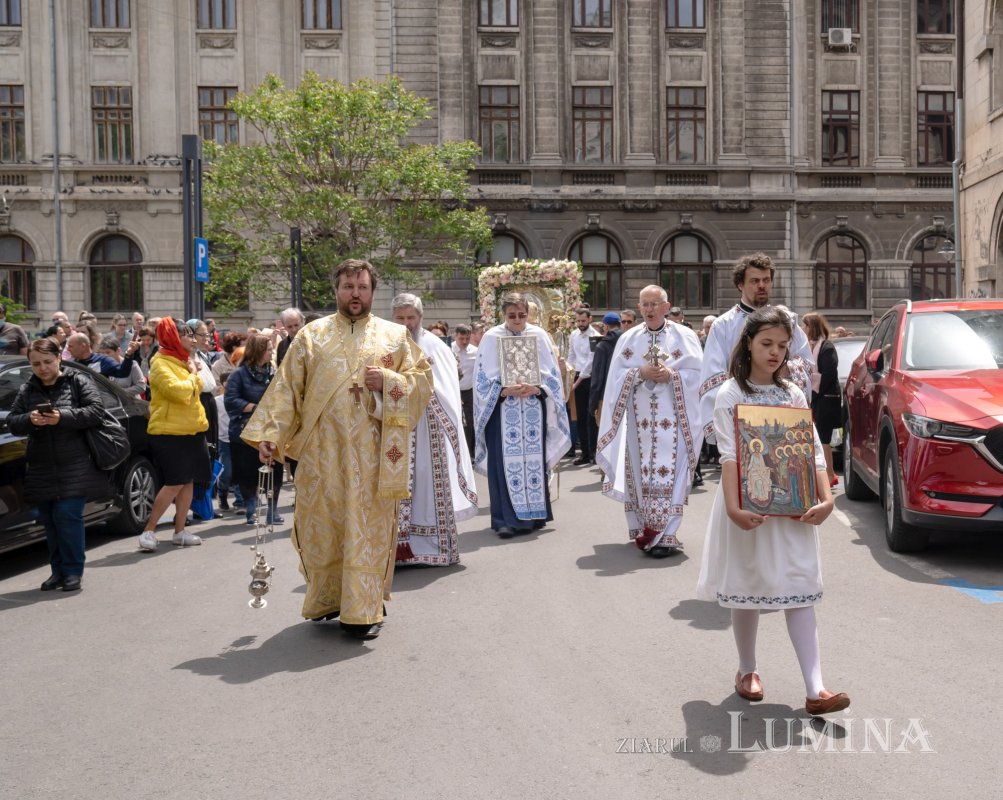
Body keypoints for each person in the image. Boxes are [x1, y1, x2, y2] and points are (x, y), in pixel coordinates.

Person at [241, 259, 432, 639]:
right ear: (337, 290)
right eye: (348, 286)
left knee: (366, 529)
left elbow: (422, 384)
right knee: (323, 529)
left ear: (372, 291)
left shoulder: (394, 337)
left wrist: (389, 381)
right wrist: (271, 435)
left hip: (373, 457)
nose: (355, 294)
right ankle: (328, 599)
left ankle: (365, 608)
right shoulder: (311, 336)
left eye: (361, 287)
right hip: (318, 456)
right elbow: (286, 391)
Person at [695, 307, 848, 717]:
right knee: (748, 584)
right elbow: (729, 455)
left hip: (794, 509)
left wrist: (826, 497)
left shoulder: (793, 394)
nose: (775, 352)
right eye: (766, 344)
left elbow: (812, 449)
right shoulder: (731, 393)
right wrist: (732, 507)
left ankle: (816, 688)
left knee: (800, 587)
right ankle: (747, 670)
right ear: (748, 343)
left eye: (782, 345)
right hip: (748, 507)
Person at [596, 286, 704, 557]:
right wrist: (639, 373)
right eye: (645, 304)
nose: (649, 309)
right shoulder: (628, 339)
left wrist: (673, 376)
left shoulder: (685, 337)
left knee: (672, 476)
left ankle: (666, 534)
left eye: (655, 304)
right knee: (641, 475)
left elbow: (698, 379)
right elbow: (614, 381)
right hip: (639, 427)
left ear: (666, 307)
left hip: (675, 424)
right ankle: (645, 528)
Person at [8, 338, 112, 592]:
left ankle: (73, 572)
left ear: (58, 359)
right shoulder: (28, 388)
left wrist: (61, 417)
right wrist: (31, 419)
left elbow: (96, 411)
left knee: (67, 516)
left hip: (74, 464)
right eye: (36, 364)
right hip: (41, 466)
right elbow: (13, 421)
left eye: (47, 362)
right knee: (50, 521)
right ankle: (57, 572)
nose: (42, 368)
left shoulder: (77, 381)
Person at [473, 292, 571, 538]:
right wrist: (502, 389)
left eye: (522, 315)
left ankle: (535, 515)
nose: (517, 320)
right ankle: (505, 520)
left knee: (532, 463)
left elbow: (552, 375)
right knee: (504, 465)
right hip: (502, 410)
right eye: (512, 315)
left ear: (529, 314)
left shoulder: (538, 335)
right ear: (503, 315)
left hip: (532, 410)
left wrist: (537, 388)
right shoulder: (491, 337)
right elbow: (481, 378)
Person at [391, 294, 477, 566]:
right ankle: (397, 551)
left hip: (429, 430)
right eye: (400, 318)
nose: (406, 324)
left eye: (410, 318)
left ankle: (433, 549)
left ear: (421, 317)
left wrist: (420, 383)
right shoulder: (386, 343)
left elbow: (446, 389)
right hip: (395, 429)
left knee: (427, 484)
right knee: (395, 487)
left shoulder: (433, 345)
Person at [699, 253, 814, 444]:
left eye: (766, 280)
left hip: (781, 412)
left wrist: (786, 367)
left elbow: (807, 364)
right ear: (740, 285)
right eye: (754, 281)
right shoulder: (723, 325)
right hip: (741, 412)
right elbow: (713, 375)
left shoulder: (787, 321)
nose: (761, 285)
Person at [136, 318, 210, 552]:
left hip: (192, 429)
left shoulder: (184, 360)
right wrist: (193, 376)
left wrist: (193, 375)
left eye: (191, 334)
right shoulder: (160, 363)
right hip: (169, 432)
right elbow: (180, 392)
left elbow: (203, 387)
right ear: (173, 337)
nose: (192, 339)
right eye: (186, 334)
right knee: (174, 482)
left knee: (187, 481)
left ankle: (179, 531)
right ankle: (148, 530)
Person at [225, 334, 284, 525]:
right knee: (248, 473)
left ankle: (272, 510)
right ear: (258, 351)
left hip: (270, 430)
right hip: (245, 432)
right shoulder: (239, 374)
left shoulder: (273, 372)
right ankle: (252, 509)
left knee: (275, 470)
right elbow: (231, 400)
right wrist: (256, 408)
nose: (271, 353)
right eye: (268, 349)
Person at [801, 311, 840, 488]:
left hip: (825, 398)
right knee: (818, 437)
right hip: (816, 398)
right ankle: (824, 475)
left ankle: (830, 474)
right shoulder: (809, 346)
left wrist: (814, 391)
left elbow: (829, 374)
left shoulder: (827, 347)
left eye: (805, 325)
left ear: (812, 327)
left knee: (823, 438)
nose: (803, 329)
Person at [187, 319, 221, 521]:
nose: (205, 338)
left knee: (211, 453)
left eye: (207, 335)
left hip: (209, 403)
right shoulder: (186, 358)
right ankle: (192, 506)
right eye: (202, 335)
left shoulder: (201, 356)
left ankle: (205, 504)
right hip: (198, 404)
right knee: (199, 455)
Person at [567, 307, 601, 465]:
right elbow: (571, 356)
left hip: (589, 379)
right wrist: (568, 374)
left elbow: (591, 360)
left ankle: (594, 452)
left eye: (583, 321)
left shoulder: (595, 336)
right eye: (578, 321)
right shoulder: (573, 335)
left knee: (591, 417)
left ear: (590, 319)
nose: (580, 324)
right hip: (576, 377)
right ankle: (585, 454)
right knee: (579, 416)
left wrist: (577, 381)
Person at [587, 312, 622, 428]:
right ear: (620, 324)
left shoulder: (602, 346)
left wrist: (592, 404)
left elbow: (597, 379)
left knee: (605, 433)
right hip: (623, 395)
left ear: (605, 326)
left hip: (605, 397)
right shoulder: (627, 343)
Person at [66, 331, 142, 379]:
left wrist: (129, 354)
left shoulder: (102, 361)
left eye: (71, 346)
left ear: (83, 346)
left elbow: (122, 372)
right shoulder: (71, 364)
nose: (68, 349)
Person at [451, 322, 477, 454]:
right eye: (461, 338)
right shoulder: (448, 350)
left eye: (467, 338)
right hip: (454, 391)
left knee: (470, 422)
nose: (464, 341)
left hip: (470, 392)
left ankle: (469, 452)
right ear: (455, 336)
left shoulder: (475, 352)